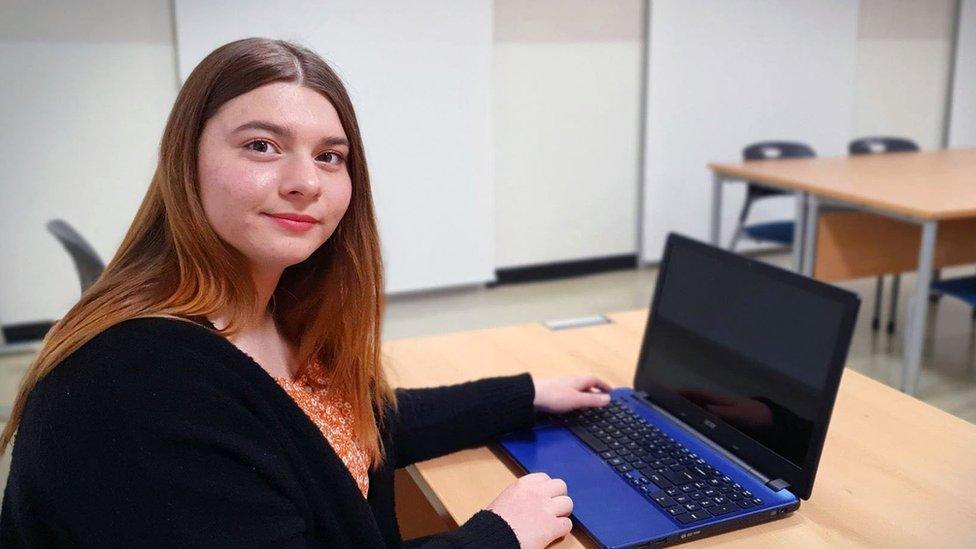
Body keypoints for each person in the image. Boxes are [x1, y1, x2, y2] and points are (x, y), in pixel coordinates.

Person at [0, 38, 613, 548]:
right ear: (185, 161)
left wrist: (527, 394)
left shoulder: (269, 312)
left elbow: (346, 427)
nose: (303, 182)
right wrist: (498, 534)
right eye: (261, 145)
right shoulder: (141, 385)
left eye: (329, 156)